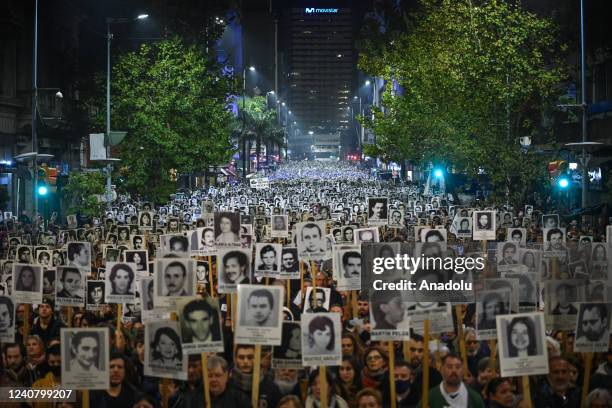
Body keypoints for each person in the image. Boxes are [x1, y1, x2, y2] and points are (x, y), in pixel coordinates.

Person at [418, 353, 485, 408]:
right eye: (449, 367)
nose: (454, 370)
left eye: (458, 367)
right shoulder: (430, 397)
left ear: (463, 370)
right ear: (441, 370)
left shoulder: (474, 398)